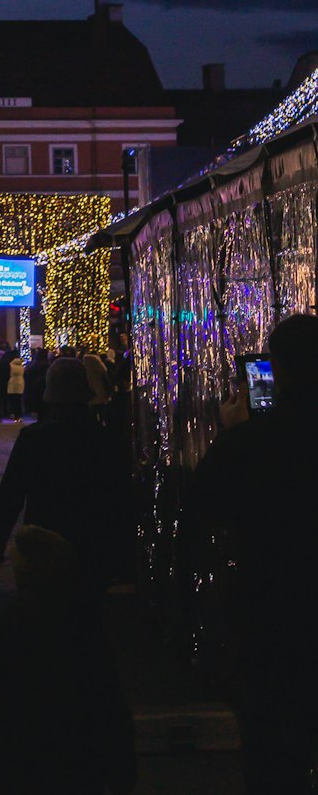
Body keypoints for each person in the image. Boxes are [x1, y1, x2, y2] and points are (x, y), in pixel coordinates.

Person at [184, 314, 318, 795]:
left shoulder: (255, 438)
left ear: (277, 368)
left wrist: (233, 431)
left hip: (272, 601)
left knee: (272, 740)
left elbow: (202, 504)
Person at [0, 526, 135, 795]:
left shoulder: (10, 623)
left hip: (17, 759)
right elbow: (110, 701)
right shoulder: (83, 625)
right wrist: (121, 773)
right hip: (75, 760)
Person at [0, 357, 132, 590]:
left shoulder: (34, 438)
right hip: (92, 537)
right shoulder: (105, 438)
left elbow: (11, 494)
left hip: (46, 535)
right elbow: (121, 493)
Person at [6, 352, 25, 420]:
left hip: (12, 383)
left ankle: (12, 413)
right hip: (20, 383)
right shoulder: (21, 366)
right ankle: (19, 414)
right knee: (18, 400)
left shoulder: (10, 366)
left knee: (12, 400)